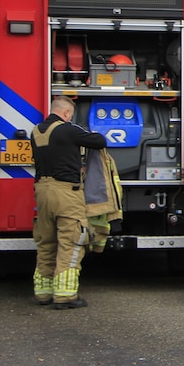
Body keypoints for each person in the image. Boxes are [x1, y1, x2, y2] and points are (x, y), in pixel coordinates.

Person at [30, 96, 108, 309]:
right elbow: (99, 141)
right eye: (70, 115)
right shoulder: (68, 129)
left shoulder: (36, 131)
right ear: (65, 113)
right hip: (66, 193)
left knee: (46, 242)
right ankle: (65, 295)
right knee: (72, 240)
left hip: (42, 191)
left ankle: (43, 293)